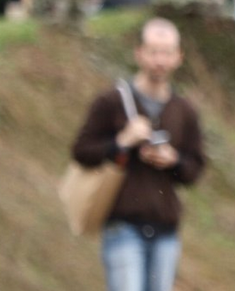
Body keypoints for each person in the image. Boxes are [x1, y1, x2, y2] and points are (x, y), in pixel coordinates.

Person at [70, 18, 206, 291]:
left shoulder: (185, 110)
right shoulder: (111, 102)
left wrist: (173, 160)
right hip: (122, 228)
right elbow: (81, 151)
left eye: (167, 52)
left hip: (166, 232)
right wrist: (121, 142)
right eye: (153, 51)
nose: (160, 60)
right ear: (139, 53)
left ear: (178, 57)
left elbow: (195, 169)